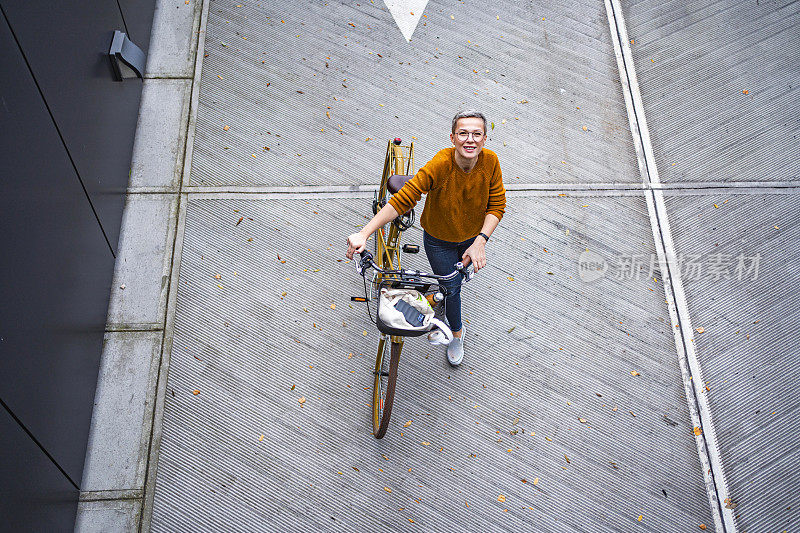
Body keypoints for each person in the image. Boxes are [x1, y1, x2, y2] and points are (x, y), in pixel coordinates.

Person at [346, 110, 506, 366]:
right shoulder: (441, 164)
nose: (470, 139)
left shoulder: (491, 162)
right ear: (452, 137)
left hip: (472, 238)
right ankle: (456, 331)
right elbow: (403, 199)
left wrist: (480, 241)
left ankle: (456, 333)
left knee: (452, 285)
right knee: (451, 290)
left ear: (485, 139)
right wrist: (365, 232)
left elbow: (496, 205)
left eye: (477, 134)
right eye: (463, 133)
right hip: (439, 240)